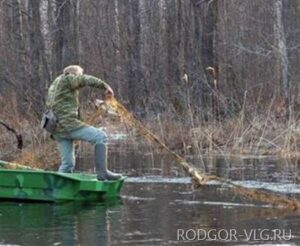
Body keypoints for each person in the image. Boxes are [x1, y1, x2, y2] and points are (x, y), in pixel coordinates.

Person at [46, 65, 122, 180]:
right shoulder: (68, 78)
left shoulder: (55, 84)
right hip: (68, 125)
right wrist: (105, 86)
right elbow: (84, 80)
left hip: (56, 129)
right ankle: (103, 173)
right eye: (80, 75)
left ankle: (58, 188)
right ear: (75, 74)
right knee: (101, 137)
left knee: (67, 165)